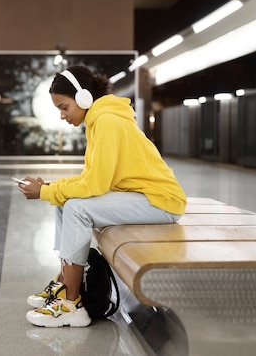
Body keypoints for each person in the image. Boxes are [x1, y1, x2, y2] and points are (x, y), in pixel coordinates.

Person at [17, 64, 186, 328]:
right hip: (141, 197)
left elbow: (95, 185)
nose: (62, 115)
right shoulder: (98, 121)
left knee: (76, 208)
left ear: (84, 97)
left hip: (160, 201)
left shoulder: (107, 121)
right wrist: (53, 186)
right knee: (64, 204)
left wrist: (46, 192)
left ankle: (71, 304)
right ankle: (63, 284)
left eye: (64, 107)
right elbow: (91, 177)